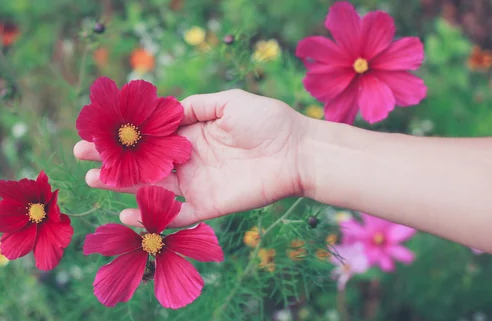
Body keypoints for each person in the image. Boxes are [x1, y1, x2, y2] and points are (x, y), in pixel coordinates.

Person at [73, 89, 492, 251]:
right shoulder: (122, 135)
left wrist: (298, 150)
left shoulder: (149, 134)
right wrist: (299, 150)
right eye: (126, 133)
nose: (129, 134)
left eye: (130, 131)